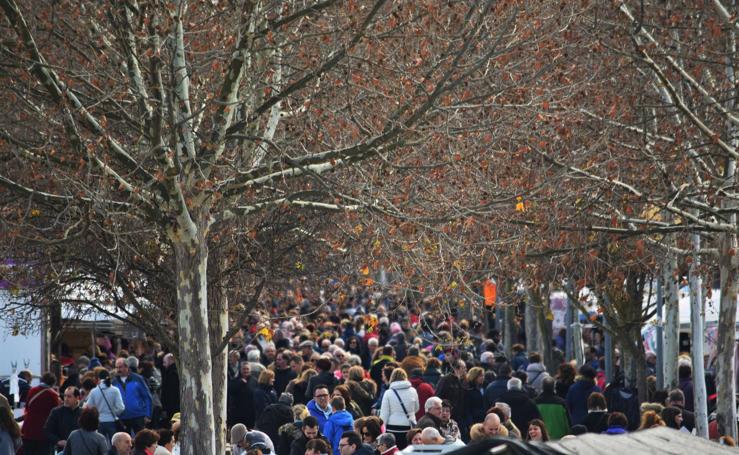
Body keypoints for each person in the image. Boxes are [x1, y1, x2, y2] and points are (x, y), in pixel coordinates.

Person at [23, 372, 62, 455]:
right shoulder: (53, 395)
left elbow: (27, 407)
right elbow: (56, 414)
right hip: (43, 433)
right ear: (53, 383)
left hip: (28, 429)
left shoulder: (32, 390)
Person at [379, 368, 418, 449]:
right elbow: (417, 408)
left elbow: (384, 414)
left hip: (392, 428)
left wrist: (381, 430)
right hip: (409, 427)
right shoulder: (413, 391)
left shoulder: (388, 393)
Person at [112, 358, 152, 435]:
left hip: (138, 415)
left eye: (120, 367)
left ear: (127, 367)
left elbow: (147, 397)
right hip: (122, 417)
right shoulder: (114, 382)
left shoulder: (138, 379)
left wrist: (148, 414)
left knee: (141, 440)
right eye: (116, 367)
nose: (118, 370)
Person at [86, 370, 125, 442]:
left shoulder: (94, 391)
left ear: (98, 379)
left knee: (100, 444)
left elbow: (89, 407)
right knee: (114, 443)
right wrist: (114, 413)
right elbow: (121, 408)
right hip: (112, 421)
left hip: (99, 421)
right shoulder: (115, 390)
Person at [45, 386, 83, 453]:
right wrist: (58, 441)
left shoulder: (83, 413)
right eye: (65, 396)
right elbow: (47, 430)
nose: (65, 399)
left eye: (69, 396)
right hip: (61, 450)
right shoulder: (56, 412)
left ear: (77, 398)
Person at [229, 362, 257, 428]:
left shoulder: (254, 381)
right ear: (240, 370)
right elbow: (231, 390)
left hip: (250, 413)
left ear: (250, 370)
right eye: (244, 369)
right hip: (237, 413)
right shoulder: (235, 380)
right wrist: (240, 383)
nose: (246, 371)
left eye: (247, 369)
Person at [160, 354, 180, 425]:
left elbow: (168, 392)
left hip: (172, 407)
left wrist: (165, 408)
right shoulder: (176, 371)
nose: (163, 365)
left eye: (164, 362)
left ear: (170, 361)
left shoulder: (171, 374)